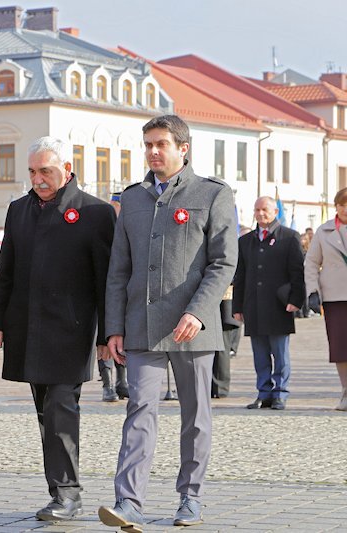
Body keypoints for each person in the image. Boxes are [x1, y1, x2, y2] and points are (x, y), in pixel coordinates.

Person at [99, 115, 237, 531]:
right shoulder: (134, 199)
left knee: (195, 415)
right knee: (139, 409)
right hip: (141, 326)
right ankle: (129, 503)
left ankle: (190, 498)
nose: (153, 152)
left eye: (161, 144)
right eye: (148, 145)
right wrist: (114, 328)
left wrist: (197, 311)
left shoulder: (212, 194)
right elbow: (118, 269)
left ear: (183, 147)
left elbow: (224, 262)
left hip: (193, 327)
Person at [0, 136, 115, 521]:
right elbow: (4, 272)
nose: (37, 179)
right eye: (32, 171)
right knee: (45, 413)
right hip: (28, 328)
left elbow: (106, 280)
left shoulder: (96, 212)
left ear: (67, 171)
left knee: (60, 409)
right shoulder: (19, 210)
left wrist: (107, 335)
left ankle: (68, 495)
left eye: (46, 171)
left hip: (70, 331)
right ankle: (58, 490)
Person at [233, 196, 305, 411]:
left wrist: (296, 300)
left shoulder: (289, 237)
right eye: (257, 210)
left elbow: (297, 273)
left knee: (280, 354)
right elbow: (240, 275)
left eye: (265, 209)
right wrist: (237, 307)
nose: (260, 214)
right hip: (254, 306)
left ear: (275, 211)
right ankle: (263, 393)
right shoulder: (246, 241)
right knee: (260, 354)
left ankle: (280, 393)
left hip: (279, 306)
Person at [304, 187, 347, 411]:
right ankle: (345, 391)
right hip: (335, 296)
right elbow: (311, 262)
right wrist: (312, 291)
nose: (345, 208)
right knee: (340, 346)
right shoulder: (324, 231)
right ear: (335, 207)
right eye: (341, 204)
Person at [99, 192, 128, 402]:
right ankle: (107, 384)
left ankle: (122, 381)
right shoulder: (102, 225)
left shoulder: (128, 227)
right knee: (104, 337)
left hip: (123, 291)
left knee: (123, 336)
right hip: (103, 291)